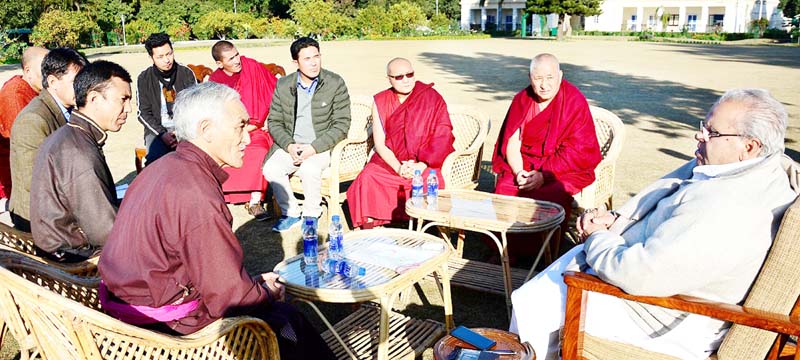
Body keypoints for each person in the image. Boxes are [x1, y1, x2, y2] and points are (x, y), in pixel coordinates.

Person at [509, 89, 797, 360]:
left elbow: (641, 275)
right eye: (704, 125)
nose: (699, 134)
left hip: (662, 317)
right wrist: (618, 221)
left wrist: (597, 237)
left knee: (539, 299)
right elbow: (668, 192)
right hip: (648, 282)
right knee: (545, 286)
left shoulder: (729, 204)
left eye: (712, 132)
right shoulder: (748, 168)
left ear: (749, 146)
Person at [98, 82, 335, 360]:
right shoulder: (195, 191)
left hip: (133, 314)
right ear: (206, 130)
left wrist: (254, 284)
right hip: (170, 333)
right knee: (287, 321)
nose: (248, 138)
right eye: (240, 126)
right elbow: (231, 299)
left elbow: (201, 272)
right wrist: (265, 293)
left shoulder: (160, 168)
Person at [492, 53, 602, 260]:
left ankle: (542, 254)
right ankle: (505, 249)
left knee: (550, 197)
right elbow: (511, 143)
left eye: (550, 78)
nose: (544, 85)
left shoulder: (574, 101)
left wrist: (544, 175)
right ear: (529, 77)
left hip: (561, 170)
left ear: (560, 76)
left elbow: (578, 149)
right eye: (538, 79)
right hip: (525, 165)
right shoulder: (522, 100)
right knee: (504, 189)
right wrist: (519, 173)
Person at [30, 61, 132, 262]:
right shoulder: (78, 150)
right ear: (94, 98)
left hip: (68, 248)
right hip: (75, 259)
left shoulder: (73, 135)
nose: (128, 108)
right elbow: (104, 231)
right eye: (123, 99)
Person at [347, 58, 454, 229]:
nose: (406, 80)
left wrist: (422, 165)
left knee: (431, 180)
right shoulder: (381, 100)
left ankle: (425, 224)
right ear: (389, 78)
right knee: (368, 177)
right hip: (392, 160)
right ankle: (376, 222)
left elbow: (443, 135)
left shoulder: (431, 97)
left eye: (409, 75)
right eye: (399, 77)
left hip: (426, 160)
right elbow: (380, 143)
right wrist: (398, 168)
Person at [263, 37, 351, 232]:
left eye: (317, 56)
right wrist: (289, 146)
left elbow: (342, 124)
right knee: (271, 169)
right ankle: (292, 212)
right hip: (292, 145)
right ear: (296, 62)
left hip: (321, 145)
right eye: (307, 58)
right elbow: (274, 121)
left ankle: (312, 214)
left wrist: (313, 148)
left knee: (310, 169)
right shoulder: (284, 85)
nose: (313, 63)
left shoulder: (334, 82)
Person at [9, 47, 87, 232]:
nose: (83, 89)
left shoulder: (70, 108)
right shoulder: (33, 120)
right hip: (38, 219)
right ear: (52, 82)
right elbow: (35, 184)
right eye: (76, 82)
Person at [208, 40, 277, 220]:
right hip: (229, 129)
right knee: (219, 150)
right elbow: (214, 111)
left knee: (259, 149)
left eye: (237, 55)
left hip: (256, 127)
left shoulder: (251, 67)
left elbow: (273, 90)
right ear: (219, 63)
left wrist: (269, 117)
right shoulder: (215, 81)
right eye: (231, 59)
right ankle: (223, 196)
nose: (237, 60)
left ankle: (255, 201)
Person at [136, 33, 196, 165]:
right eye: (160, 57)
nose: (167, 60)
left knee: (193, 160)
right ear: (151, 57)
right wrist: (162, 134)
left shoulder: (185, 73)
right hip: (156, 131)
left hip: (184, 129)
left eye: (169, 54)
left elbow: (195, 106)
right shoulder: (144, 78)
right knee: (155, 163)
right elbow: (143, 114)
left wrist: (180, 131)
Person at [0, 46, 49, 206]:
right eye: (45, 69)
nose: (51, 74)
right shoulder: (14, 94)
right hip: (16, 176)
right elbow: (23, 143)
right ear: (28, 71)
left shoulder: (37, 91)